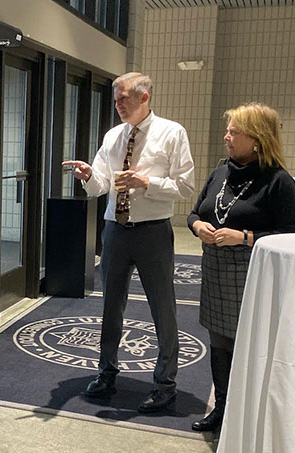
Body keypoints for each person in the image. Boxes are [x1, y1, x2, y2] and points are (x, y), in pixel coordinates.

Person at [63, 72, 195, 413]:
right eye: (116, 99)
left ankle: (165, 384)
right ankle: (106, 373)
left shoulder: (171, 133)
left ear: (145, 97)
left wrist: (146, 182)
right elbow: (101, 186)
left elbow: (185, 186)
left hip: (153, 231)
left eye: (125, 99)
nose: (119, 105)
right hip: (116, 230)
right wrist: (88, 176)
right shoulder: (112, 137)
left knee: (162, 308)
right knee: (110, 306)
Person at [187, 102, 295, 431]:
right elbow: (195, 213)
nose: (227, 137)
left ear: (257, 139)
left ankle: (246, 414)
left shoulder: (278, 182)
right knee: (218, 343)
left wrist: (246, 236)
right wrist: (198, 228)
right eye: (229, 130)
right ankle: (222, 408)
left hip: (252, 274)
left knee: (247, 347)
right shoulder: (220, 171)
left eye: (234, 132)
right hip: (216, 270)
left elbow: (292, 235)